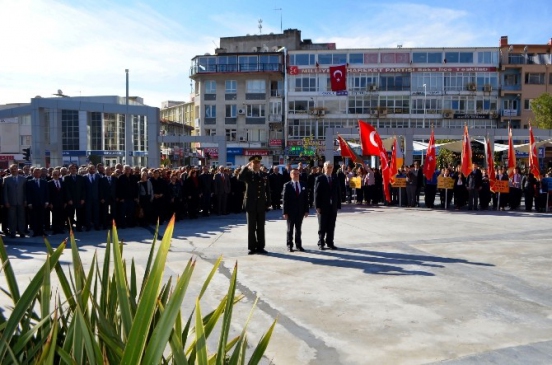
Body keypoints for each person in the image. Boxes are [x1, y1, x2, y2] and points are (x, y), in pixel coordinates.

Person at [239, 155, 271, 255]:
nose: (257, 165)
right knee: (251, 227)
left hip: (261, 204)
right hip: (251, 204)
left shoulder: (264, 175)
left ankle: (261, 246)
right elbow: (239, 177)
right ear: (251, 164)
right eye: (254, 163)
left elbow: (267, 190)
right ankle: (252, 247)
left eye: (258, 163)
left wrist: (268, 202)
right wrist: (245, 167)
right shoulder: (248, 174)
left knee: (261, 226)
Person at [314, 161, 341, 250]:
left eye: (331, 167)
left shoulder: (335, 178)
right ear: (324, 168)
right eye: (327, 167)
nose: (329, 169)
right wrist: (317, 206)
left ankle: (330, 242)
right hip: (323, 206)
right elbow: (316, 193)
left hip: (332, 206)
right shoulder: (320, 178)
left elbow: (338, 192)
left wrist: (338, 205)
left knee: (331, 225)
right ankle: (321, 242)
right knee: (322, 225)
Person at [282, 168, 310, 252]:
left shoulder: (303, 184)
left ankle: (299, 245)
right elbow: (285, 200)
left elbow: (306, 198)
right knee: (290, 229)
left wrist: (306, 210)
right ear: (291, 175)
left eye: (297, 173)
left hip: (300, 211)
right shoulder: (287, 185)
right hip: (290, 211)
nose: (296, 175)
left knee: (298, 229)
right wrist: (285, 212)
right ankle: (289, 245)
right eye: (294, 173)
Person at [3, 164, 27, 238]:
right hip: (11, 202)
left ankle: (21, 232)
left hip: (21, 201)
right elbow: (5, 192)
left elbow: (25, 191)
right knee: (12, 218)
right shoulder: (6, 179)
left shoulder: (23, 179)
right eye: (12, 169)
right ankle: (12, 232)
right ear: (10, 170)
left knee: (21, 217)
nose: (14, 170)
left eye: (15, 168)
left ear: (17, 169)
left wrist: (25, 200)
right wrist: (6, 201)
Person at [26, 167, 49, 237]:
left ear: (40, 173)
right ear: (33, 173)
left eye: (38, 172)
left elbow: (47, 192)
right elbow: (28, 193)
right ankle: (35, 231)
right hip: (33, 203)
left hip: (42, 203)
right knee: (34, 218)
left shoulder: (44, 182)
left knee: (42, 218)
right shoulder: (29, 182)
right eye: (35, 172)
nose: (37, 174)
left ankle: (42, 231)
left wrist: (47, 202)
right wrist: (29, 203)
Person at [63, 164, 86, 232]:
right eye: (72, 168)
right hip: (71, 200)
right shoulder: (66, 178)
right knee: (70, 214)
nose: (73, 169)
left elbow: (83, 189)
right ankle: (70, 227)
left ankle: (79, 227)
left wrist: (83, 199)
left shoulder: (80, 177)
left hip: (79, 199)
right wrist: (69, 199)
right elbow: (66, 190)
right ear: (69, 170)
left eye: (74, 168)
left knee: (79, 214)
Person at [48, 169, 65, 234]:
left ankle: (61, 229)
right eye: (55, 175)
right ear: (52, 175)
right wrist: (50, 203)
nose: (56, 176)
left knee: (61, 216)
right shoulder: (49, 183)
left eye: (58, 174)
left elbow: (64, 193)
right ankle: (55, 229)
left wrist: (65, 202)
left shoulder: (62, 182)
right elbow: (48, 194)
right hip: (53, 203)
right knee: (54, 216)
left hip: (61, 202)